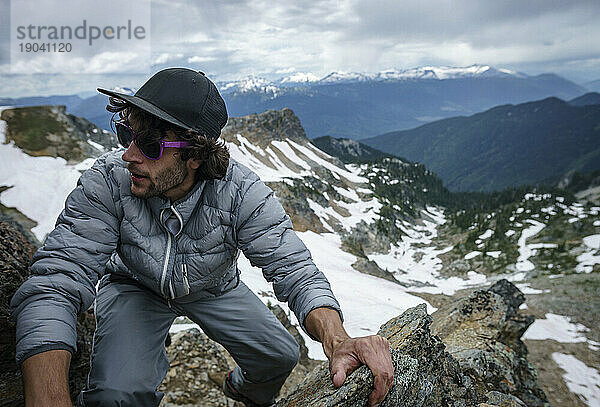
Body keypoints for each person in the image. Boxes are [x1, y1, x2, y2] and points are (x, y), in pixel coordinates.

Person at [10, 68, 394, 407]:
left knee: (280, 356)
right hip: (135, 286)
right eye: (126, 133)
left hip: (213, 287)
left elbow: (294, 269)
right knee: (117, 397)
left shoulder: (241, 193)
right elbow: (55, 281)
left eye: (149, 145)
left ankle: (243, 391)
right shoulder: (108, 181)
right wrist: (48, 397)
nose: (128, 155)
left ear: (195, 155)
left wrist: (338, 340)